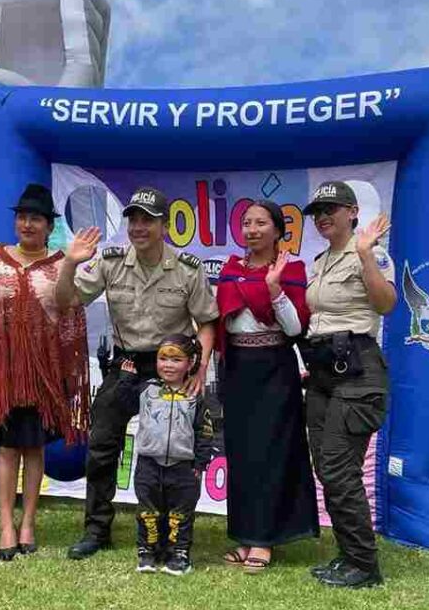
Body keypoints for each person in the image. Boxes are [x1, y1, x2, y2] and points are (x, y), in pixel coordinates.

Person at [55, 186, 219, 560]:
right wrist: (69, 263)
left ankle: (168, 533)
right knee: (101, 448)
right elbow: (65, 300)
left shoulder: (187, 269)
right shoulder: (111, 262)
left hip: (170, 370)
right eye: (134, 219)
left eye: (148, 220)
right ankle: (97, 530)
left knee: (172, 453)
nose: (139, 227)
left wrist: (201, 367)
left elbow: (207, 322)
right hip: (125, 366)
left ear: (164, 225)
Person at [0, 184, 90, 562]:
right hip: (3, 372)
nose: (27, 224)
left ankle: (29, 523)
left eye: (35, 218)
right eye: (22, 217)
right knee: (7, 448)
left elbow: (67, 307)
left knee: (34, 448)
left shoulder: (58, 264)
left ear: (48, 225)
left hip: (43, 372)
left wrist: (71, 263)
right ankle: (6, 524)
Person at [301, 181, 396, 589]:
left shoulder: (371, 253)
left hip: (357, 372)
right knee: (328, 469)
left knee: (339, 468)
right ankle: (347, 555)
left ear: (352, 212)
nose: (323, 216)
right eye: (318, 211)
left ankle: (363, 564)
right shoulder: (319, 261)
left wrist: (364, 256)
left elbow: (386, 304)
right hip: (323, 373)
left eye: (332, 208)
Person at [215, 200, 318, 574]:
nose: (252, 229)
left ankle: (265, 539)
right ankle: (246, 534)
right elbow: (222, 322)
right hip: (238, 368)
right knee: (242, 453)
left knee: (272, 451)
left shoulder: (292, 270)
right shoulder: (230, 270)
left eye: (261, 223)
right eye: (247, 223)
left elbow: (294, 329)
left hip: (275, 367)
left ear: (278, 230)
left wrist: (274, 289)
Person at [117, 335, 214, 575]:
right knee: (148, 510)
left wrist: (200, 463)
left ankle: (178, 553)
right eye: (163, 358)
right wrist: (125, 380)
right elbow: (124, 404)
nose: (168, 365)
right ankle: (148, 551)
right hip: (149, 464)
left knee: (180, 514)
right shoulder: (146, 389)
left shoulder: (195, 394)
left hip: (183, 467)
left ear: (190, 363)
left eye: (176, 359)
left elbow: (205, 431)